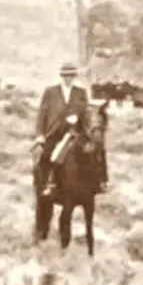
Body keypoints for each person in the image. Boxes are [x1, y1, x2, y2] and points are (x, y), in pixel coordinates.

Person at [34, 61, 106, 198]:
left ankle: (99, 182)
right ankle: (48, 184)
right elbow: (41, 114)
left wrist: (80, 122)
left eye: (71, 76)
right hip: (54, 132)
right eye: (66, 76)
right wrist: (40, 134)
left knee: (95, 152)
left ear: (75, 77)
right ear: (61, 76)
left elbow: (86, 114)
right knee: (47, 156)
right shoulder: (50, 92)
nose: (68, 79)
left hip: (75, 132)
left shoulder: (81, 93)